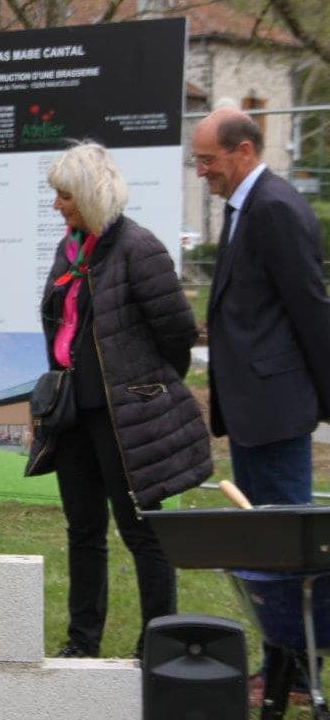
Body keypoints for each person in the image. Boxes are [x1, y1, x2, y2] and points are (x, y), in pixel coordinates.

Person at [26, 141, 211, 658]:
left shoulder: (139, 247)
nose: (57, 205)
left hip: (126, 419)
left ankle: (158, 645)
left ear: (89, 194)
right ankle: (82, 645)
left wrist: (144, 390)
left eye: (64, 195)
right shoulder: (71, 250)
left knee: (142, 532)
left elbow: (177, 334)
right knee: (83, 531)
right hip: (72, 418)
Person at [192, 107, 330, 706]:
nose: (202, 172)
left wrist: (322, 400)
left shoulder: (274, 208)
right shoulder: (248, 206)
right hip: (256, 409)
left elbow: (310, 307)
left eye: (209, 160)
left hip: (276, 411)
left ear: (244, 151)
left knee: (282, 546)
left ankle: (296, 674)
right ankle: (282, 667)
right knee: (264, 545)